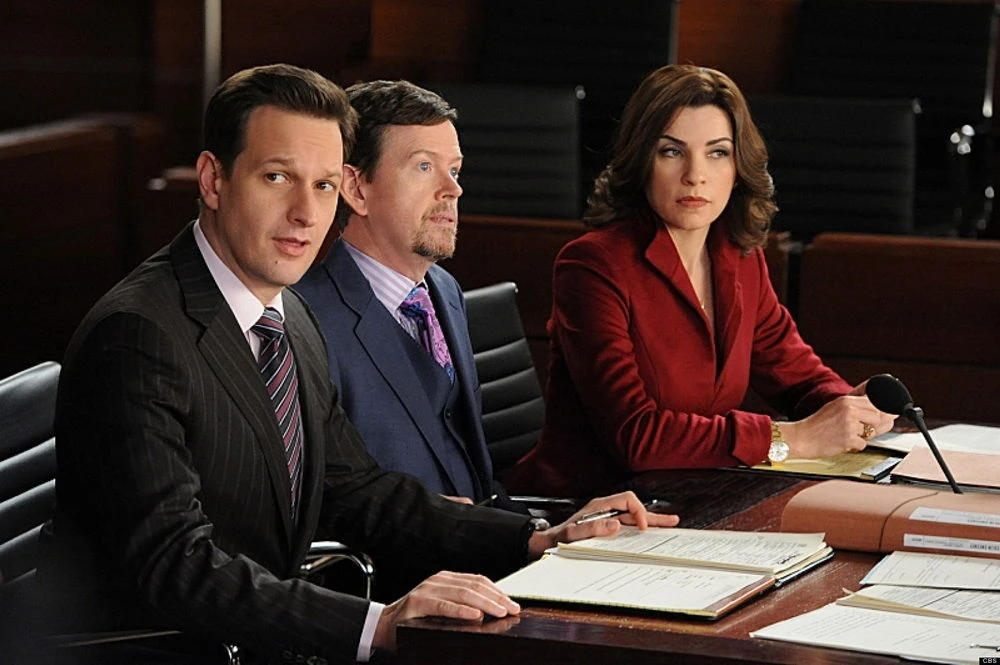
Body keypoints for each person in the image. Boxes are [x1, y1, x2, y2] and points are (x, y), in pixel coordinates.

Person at [35, 64, 677, 664]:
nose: (306, 213)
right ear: (213, 179)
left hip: (262, 635)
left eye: (322, 185)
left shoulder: (286, 313)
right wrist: (377, 624)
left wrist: (534, 536)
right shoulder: (139, 335)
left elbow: (356, 488)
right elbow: (175, 563)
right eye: (277, 177)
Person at [504, 64, 896, 498]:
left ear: (739, 166)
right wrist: (792, 439)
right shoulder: (593, 265)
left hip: (694, 498)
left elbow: (797, 377)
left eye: (717, 152)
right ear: (642, 160)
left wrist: (848, 408)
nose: (695, 174)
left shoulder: (739, 255)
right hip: (584, 509)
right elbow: (636, 436)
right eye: (672, 151)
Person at [295, 80, 511, 510]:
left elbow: (476, 478)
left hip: (483, 544)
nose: (453, 189)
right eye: (424, 167)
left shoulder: (445, 291)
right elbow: (327, 502)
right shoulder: (304, 320)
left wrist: (550, 530)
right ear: (356, 188)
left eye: (454, 170)